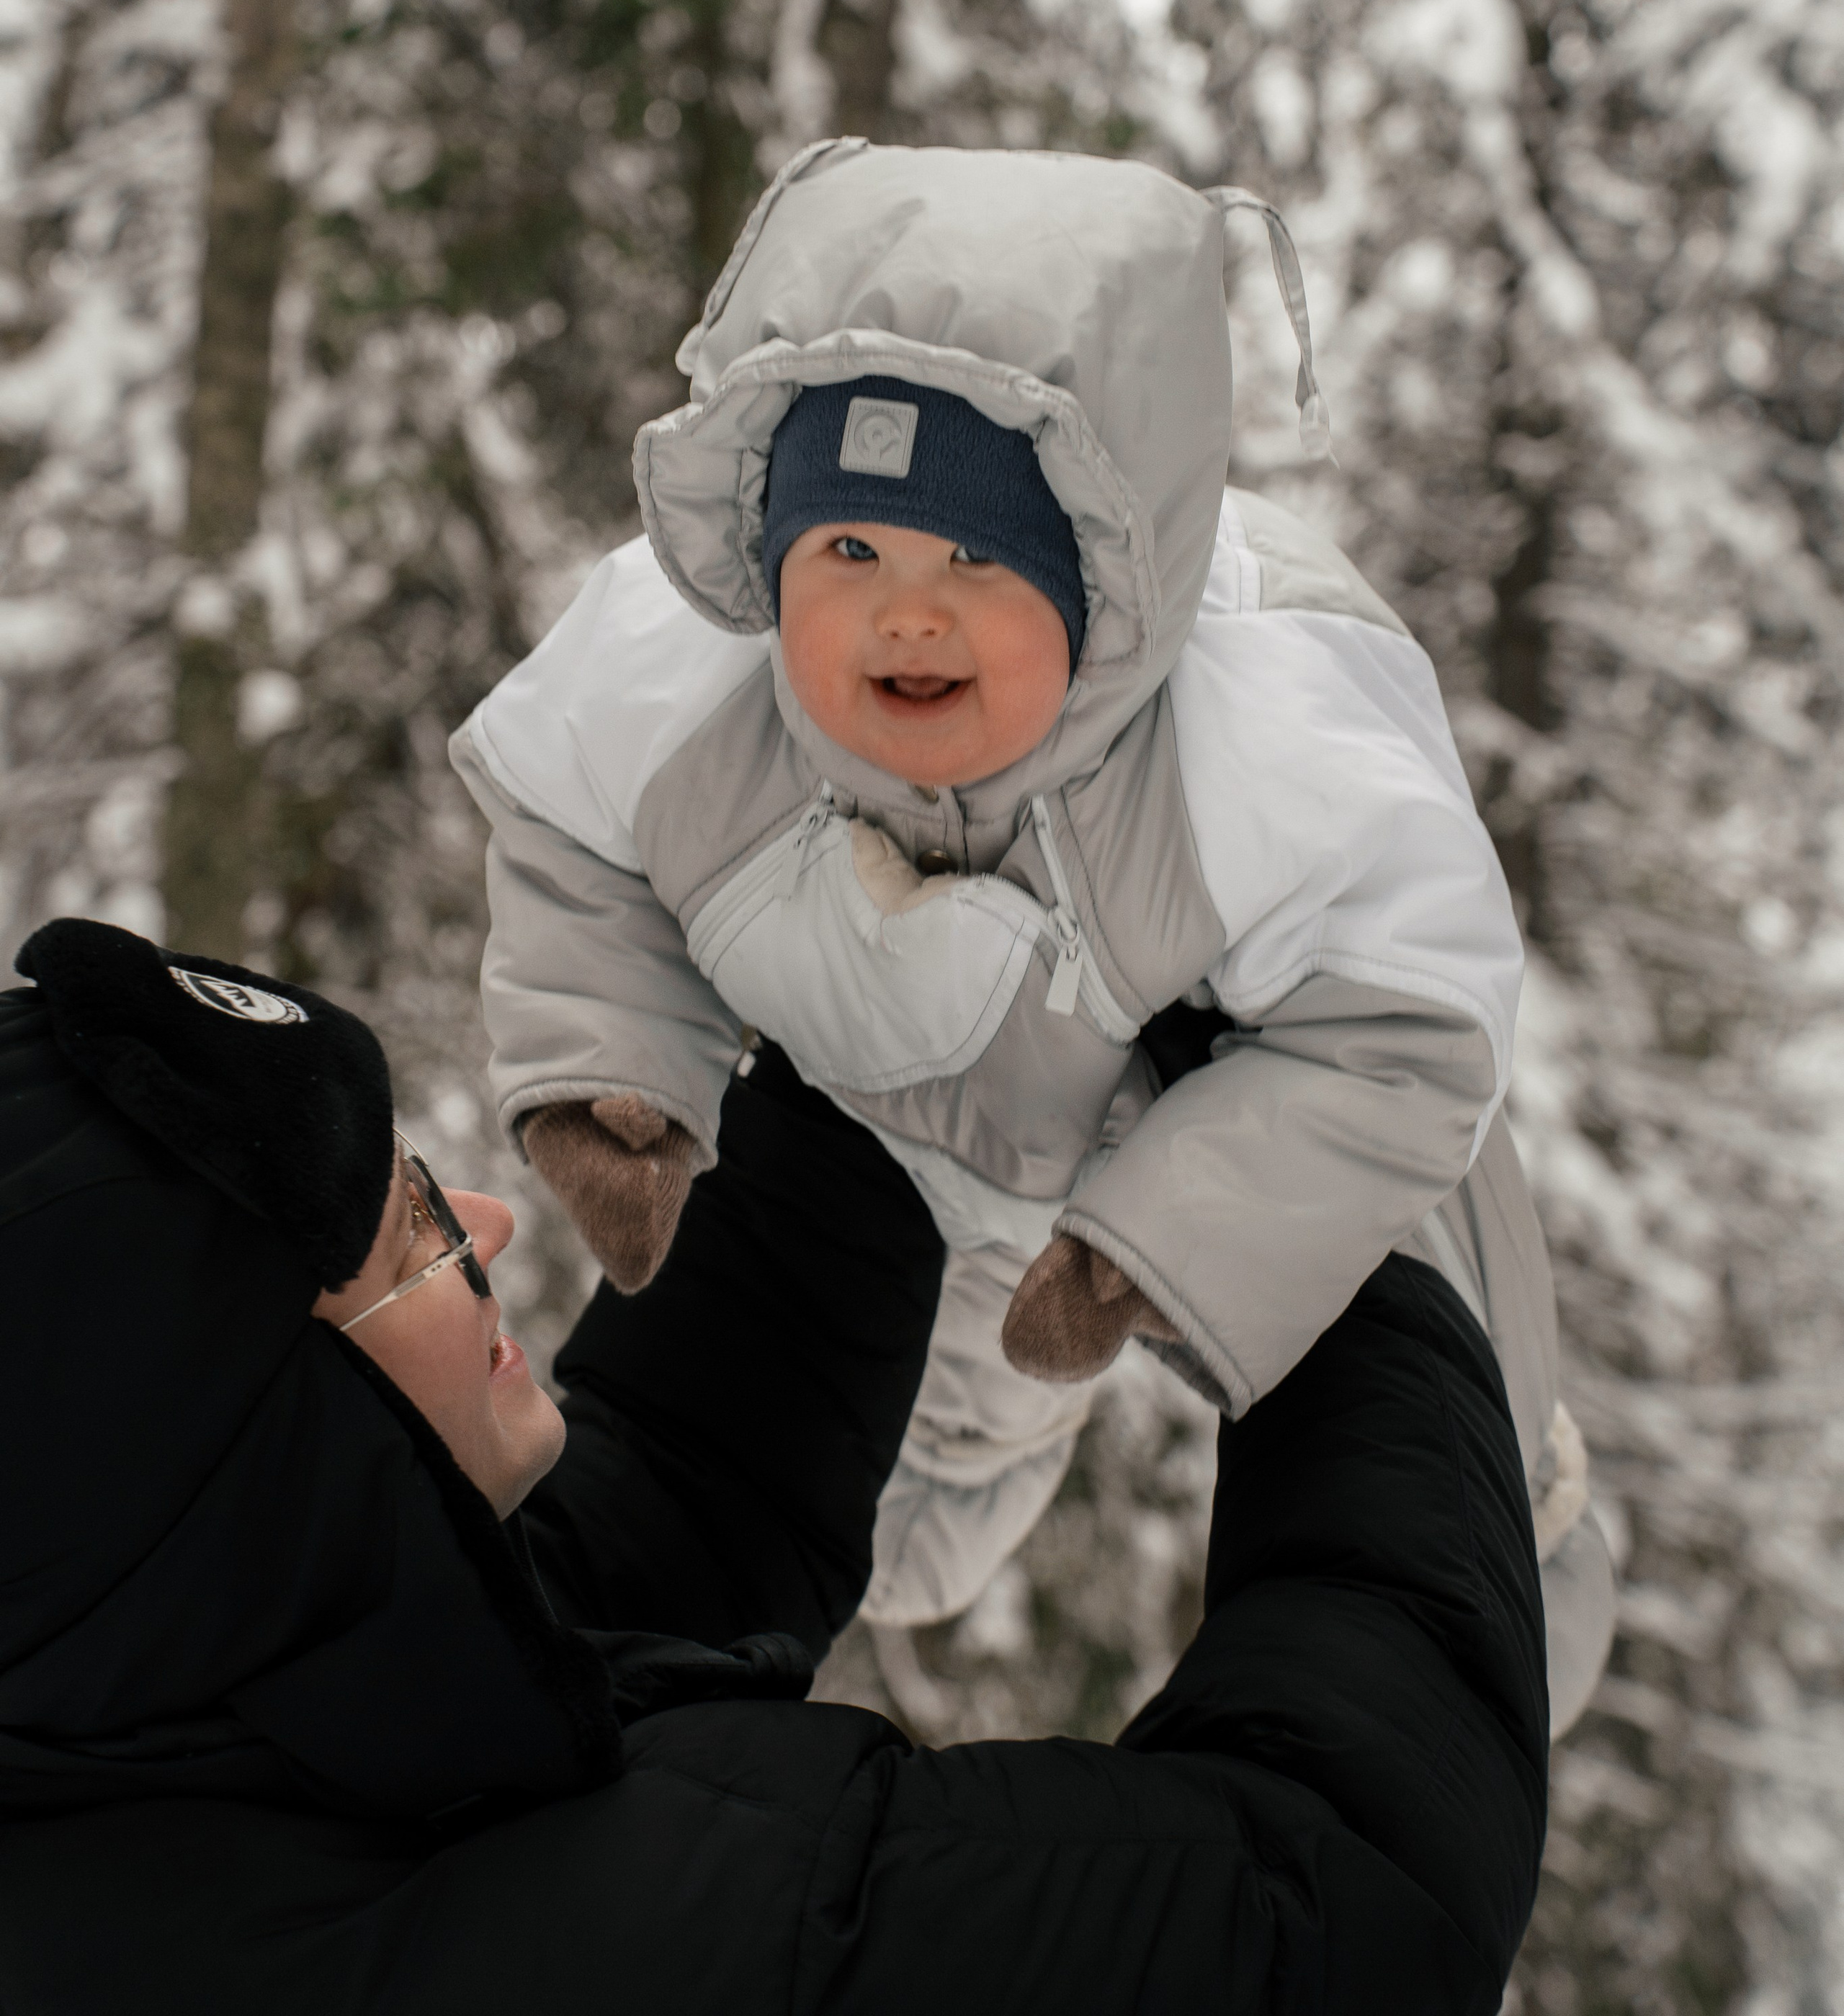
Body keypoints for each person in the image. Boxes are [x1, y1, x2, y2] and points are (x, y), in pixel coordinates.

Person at [0, 918, 1547, 2016]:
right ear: (272, 1450)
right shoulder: (603, 2000)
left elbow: (668, 1505)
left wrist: (867, 1067)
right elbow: (1351, 1890)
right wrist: (1325, 1231)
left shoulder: (159, 1720)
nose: (483, 1221)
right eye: (410, 1232)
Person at [450, 138, 1612, 1715]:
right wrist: (612, 1067)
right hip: (871, 1131)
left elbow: (1405, 1031)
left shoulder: (1238, 767)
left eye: (976, 559)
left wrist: (1162, 1237)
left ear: (1096, 590)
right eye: (847, 550)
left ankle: (1533, 1564)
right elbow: (565, 831)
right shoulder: (683, 689)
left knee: (1389, 1422)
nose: (904, 612)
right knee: (905, 1556)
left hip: (1086, 1168)